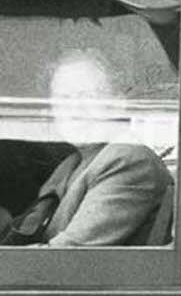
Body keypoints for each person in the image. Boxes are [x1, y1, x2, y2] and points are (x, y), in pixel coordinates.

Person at [0, 49, 171, 246]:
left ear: (118, 103)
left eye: (87, 96)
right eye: (64, 99)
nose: (75, 109)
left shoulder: (127, 159)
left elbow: (67, 256)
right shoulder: (71, 165)